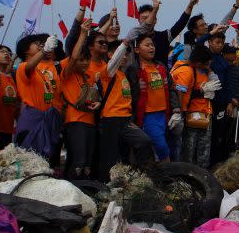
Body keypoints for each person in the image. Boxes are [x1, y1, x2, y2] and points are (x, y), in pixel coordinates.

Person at [97, 39, 155, 180]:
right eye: (121, 54)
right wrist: (124, 45)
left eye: (126, 54)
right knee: (110, 158)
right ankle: (105, 187)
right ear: (111, 54)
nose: (124, 57)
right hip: (110, 119)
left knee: (144, 141)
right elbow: (115, 60)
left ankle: (144, 177)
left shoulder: (123, 74)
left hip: (125, 119)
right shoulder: (107, 72)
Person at [126, 34, 180, 163]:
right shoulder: (133, 70)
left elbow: (171, 88)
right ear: (137, 50)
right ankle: (168, 176)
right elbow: (129, 95)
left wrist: (177, 109)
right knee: (162, 148)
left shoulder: (161, 66)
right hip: (147, 116)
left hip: (165, 115)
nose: (152, 48)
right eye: (147, 45)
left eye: (152, 45)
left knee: (161, 149)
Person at [60, 19, 100, 179]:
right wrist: (83, 33)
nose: (84, 63)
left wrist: (98, 103)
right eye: (81, 60)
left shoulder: (90, 77)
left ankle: (86, 195)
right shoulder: (67, 73)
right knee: (78, 163)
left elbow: (95, 97)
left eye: (87, 59)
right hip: (75, 121)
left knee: (87, 165)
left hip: (90, 122)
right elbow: (75, 56)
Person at [14, 32, 63, 159]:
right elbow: (29, 66)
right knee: (30, 160)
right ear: (26, 51)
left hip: (46, 120)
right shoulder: (23, 67)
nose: (41, 45)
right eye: (36, 44)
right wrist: (44, 51)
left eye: (42, 44)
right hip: (32, 121)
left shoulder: (40, 72)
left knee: (44, 161)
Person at [172, 44, 219, 167]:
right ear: (198, 63)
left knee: (203, 147)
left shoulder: (199, 69)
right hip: (189, 113)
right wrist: (179, 112)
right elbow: (180, 93)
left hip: (204, 112)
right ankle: (187, 171)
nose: (208, 64)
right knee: (189, 146)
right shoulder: (186, 71)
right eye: (206, 63)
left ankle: (201, 172)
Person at [0, 45, 19, 150]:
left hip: (7, 129)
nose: (6, 54)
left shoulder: (11, 78)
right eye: (2, 52)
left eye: (8, 53)